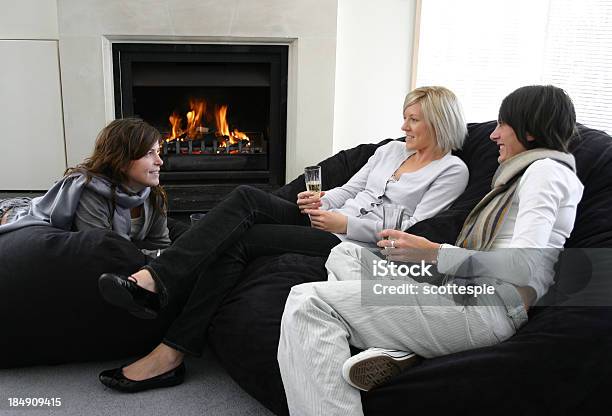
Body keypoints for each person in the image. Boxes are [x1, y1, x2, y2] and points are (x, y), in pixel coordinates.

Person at [96, 86, 470, 392]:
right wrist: (321, 201)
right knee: (245, 198)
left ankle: (166, 334)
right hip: (326, 221)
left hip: (353, 247)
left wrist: (344, 224)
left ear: (438, 122)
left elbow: (413, 235)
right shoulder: (389, 150)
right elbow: (349, 190)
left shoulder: (452, 171)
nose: (403, 125)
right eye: (405, 116)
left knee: (238, 242)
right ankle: (160, 282)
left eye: (413, 119)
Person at [277, 85, 584, 415]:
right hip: (461, 293)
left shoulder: (545, 172)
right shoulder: (527, 173)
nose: (494, 135)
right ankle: (397, 349)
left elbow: (524, 266)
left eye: (502, 125)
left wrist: (436, 253)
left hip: (485, 309)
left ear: (530, 131)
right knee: (346, 254)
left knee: (307, 302)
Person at [0, 118, 170, 256]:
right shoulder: (91, 193)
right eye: (149, 153)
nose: (159, 161)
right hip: (13, 214)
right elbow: (104, 253)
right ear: (122, 160)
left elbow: (162, 246)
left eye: (158, 151)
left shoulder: (153, 195)